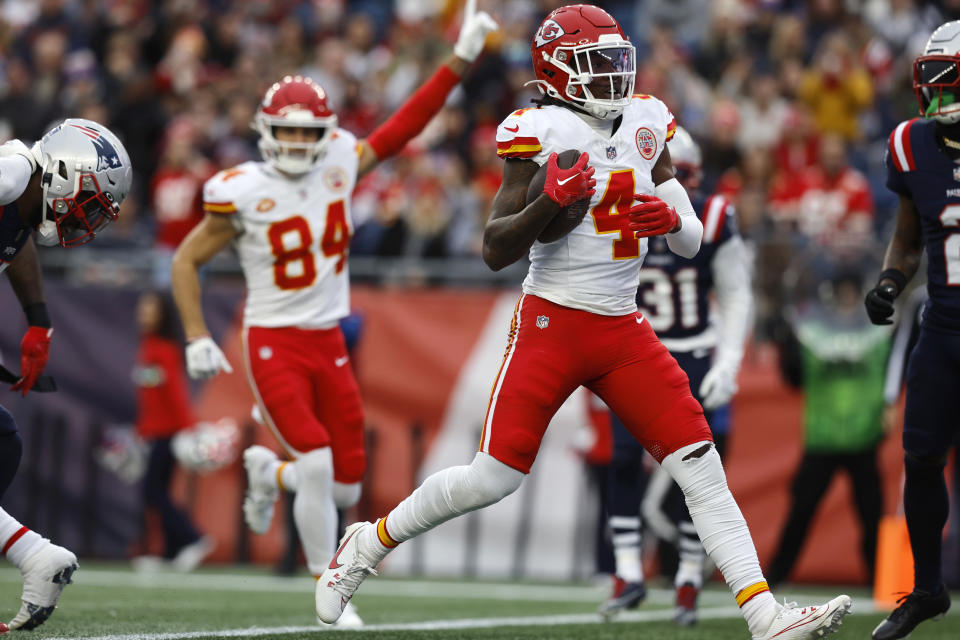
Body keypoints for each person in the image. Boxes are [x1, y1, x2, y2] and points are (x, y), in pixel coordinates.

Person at [315, 6, 851, 639]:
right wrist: (550, 200)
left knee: (700, 463)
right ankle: (368, 542)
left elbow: (688, 234)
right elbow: (494, 249)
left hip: (624, 328)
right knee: (494, 477)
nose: (614, 76)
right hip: (554, 320)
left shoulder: (649, 120)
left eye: (618, 60)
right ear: (558, 71)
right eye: (597, 64)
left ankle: (765, 618)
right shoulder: (534, 130)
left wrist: (673, 222)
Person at [170, 0, 497, 628]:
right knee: (322, 467)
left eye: (305, 131)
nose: (295, 142)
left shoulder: (343, 160)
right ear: (267, 130)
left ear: (324, 133)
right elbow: (185, 261)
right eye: (285, 131)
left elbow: (403, 127)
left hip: (327, 339)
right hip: (271, 339)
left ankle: (272, 471)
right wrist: (193, 335)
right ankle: (331, 587)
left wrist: (459, 59)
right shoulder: (241, 189)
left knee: (345, 485)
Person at [599, 126, 753, 625]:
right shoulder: (618, 207)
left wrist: (729, 362)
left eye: (682, 177)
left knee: (704, 468)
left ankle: (688, 573)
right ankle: (627, 571)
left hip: (696, 353)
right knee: (621, 458)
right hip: (637, 351)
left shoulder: (711, 215)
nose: (675, 189)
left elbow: (736, 293)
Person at [0, 118, 132, 631]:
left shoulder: (23, 198)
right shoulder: (11, 174)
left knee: (3, 442)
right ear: (63, 171)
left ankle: (35, 553)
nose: (88, 218)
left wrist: (39, 320)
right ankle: (34, 554)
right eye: (90, 201)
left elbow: (15, 242)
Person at [864, 20, 960, 640]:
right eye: (933, 77)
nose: (936, 90)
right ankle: (927, 589)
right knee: (921, 458)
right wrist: (891, 282)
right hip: (945, 328)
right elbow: (908, 234)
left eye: (948, 78)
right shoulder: (910, 143)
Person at [767, 267, 890, 588]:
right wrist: (785, 339)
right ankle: (777, 574)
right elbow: (793, 377)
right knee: (801, 511)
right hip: (822, 434)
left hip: (863, 434)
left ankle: (880, 579)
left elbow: (896, 372)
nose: (847, 299)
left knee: (870, 516)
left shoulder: (876, 333)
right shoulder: (812, 332)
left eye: (852, 292)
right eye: (843, 292)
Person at [132, 291, 215, 571]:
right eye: (142, 308)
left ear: (163, 314)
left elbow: (175, 393)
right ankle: (169, 551)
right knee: (159, 488)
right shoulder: (149, 345)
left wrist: (188, 427)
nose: (144, 314)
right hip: (154, 430)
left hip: (167, 431)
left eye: (150, 309)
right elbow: (150, 395)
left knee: (152, 489)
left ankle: (193, 538)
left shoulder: (162, 349)